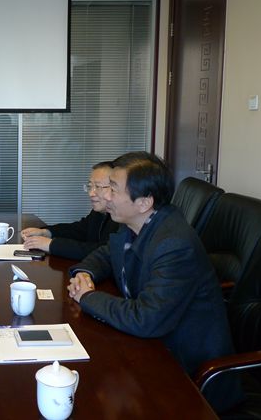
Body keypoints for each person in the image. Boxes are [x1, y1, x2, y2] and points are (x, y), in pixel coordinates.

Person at [66, 151, 241, 412]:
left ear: (144, 202)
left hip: (187, 377)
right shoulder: (136, 224)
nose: (105, 196)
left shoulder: (174, 244)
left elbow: (145, 318)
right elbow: (106, 254)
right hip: (150, 350)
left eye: (113, 189)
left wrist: (88, 297)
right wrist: (85, 274)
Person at [21, 162, 118, 260]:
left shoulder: (120, 218)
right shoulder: (99, 212)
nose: (91, 193)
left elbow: (102, 251)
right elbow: (78, 230)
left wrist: (51, 245)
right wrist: (46, 232)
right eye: (90, 186)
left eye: (98, 187)